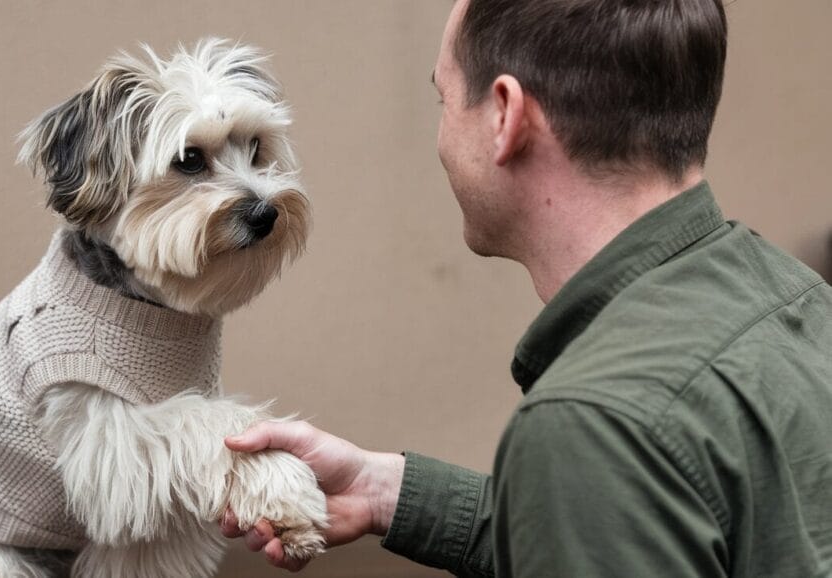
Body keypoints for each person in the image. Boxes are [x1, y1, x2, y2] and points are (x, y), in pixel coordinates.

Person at [221, 0, 832, 576]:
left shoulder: (595, 425)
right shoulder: (794, 295)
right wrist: (388, 492)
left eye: (444, 98)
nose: (441, 129)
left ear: (505, 116)